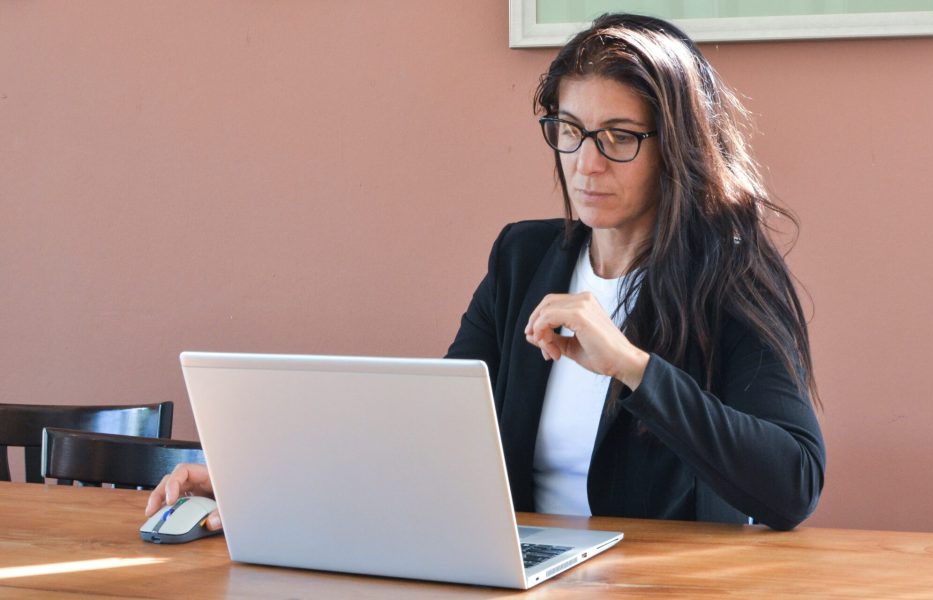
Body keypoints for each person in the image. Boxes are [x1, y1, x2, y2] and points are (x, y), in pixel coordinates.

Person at [147, 13, 825, 532]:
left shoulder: (730, 276)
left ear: (676, 148)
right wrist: (260, 488)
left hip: (660, 588)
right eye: (570, 130)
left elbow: (792, 485)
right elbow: (435, 437)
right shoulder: (524, 259)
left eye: (620, 137)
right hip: (518, 575)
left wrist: (630, 365)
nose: (587, 162)